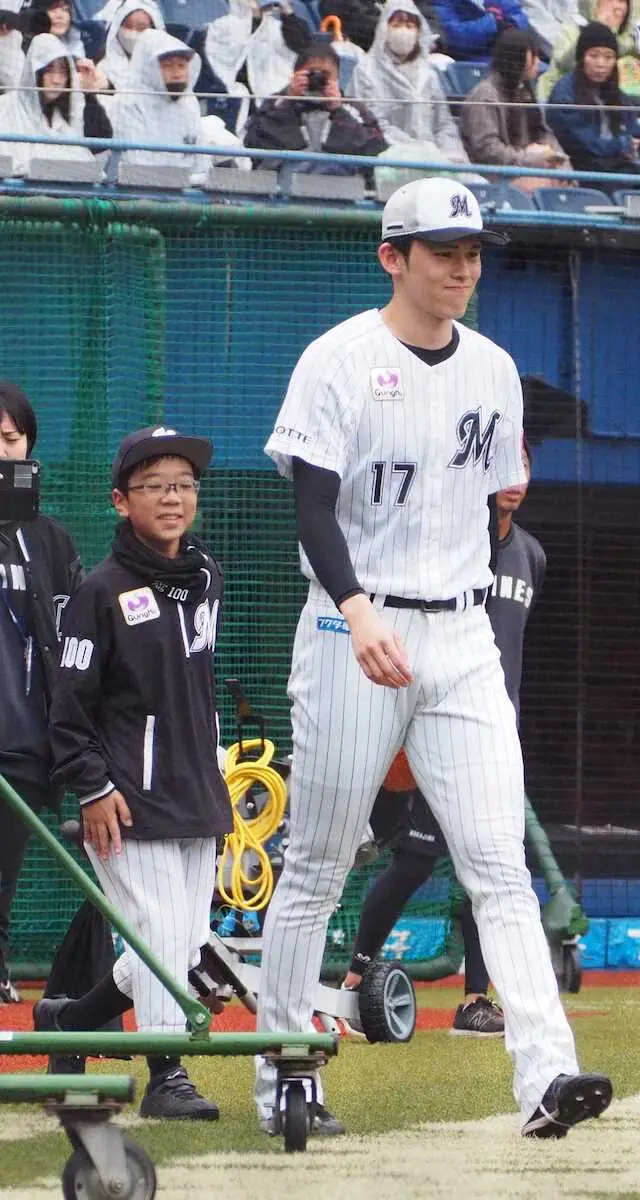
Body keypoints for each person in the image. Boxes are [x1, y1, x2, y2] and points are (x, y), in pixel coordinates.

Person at [257, 175, 611, 1140]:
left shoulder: (493, 368)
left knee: (499, 862)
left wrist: (463, 602)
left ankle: (547, 1076)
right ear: (392, 257)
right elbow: (310, 508)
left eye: (472, 252)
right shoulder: (338, 358)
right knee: (320, 863)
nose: (462, 266)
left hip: (457, 629)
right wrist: (358, 607)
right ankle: (288, 1072)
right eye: (442, 250)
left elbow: (497, 505)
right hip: (348, 625)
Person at [36, 425, 232, 1119]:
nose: (173, 498)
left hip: (197, 797)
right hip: (125, 800)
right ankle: (168, 1075)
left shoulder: (206, 576)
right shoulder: (101, 591)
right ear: (122, 501)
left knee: (178, 943)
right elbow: (69, 704)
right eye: (155, 486)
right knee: (153, 936)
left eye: (183, 484)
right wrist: (92, 785)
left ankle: (70, 1019)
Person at [342, 444, 546, 1038]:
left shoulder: (532, 554)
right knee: (411, 860)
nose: (513, 478)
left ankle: (476, 1001)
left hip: (490, 733)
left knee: (496, 861)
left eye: (523, 466)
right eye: (502, 465)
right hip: (422, 724)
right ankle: (353, 984)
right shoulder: (448, 549)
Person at [0, 383, 81, 1005]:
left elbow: (70, 636)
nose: (2, 452)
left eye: (10, 439)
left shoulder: (48, 538)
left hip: (26, 743)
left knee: (4, 874)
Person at [244, 36, 387, 174]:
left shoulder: (353, 107)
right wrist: (288, 102)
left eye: (325, 75)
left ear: (337, 77)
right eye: (311, 74)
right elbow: (254, 141)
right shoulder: (277, 103)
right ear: (296, 75)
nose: (317, 80)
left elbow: (375, 148)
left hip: (339, 184)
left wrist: (338, 111)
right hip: (283, 180)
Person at [349, 0, 467, 166]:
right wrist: (419, 151)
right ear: (384, 29)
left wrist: (450, 154)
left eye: (410, 25)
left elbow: (443, 124)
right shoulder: (365, 71)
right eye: (397, 25)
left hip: (434, 160)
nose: (403, 31)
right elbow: (374, 125)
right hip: (388, 160)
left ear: (419, 32)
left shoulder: (428, 73)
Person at [460, 26, 569, 187]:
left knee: (566, 181)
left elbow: (543, 134)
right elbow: (488, 151)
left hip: (529, 168)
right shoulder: (484, 97)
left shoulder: (525, 89)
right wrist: (531, 159)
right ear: (516, 59)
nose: (538, 62)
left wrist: (560, 161)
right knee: (546, 186)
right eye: (534, 55)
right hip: (496, 176)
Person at [0, 32, 111, 175]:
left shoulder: (66, 112)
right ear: (35, 72)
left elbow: (99, 144)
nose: (57, 80)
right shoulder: (5, 108)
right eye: (49, 70)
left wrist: (89, 95)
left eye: (63, 71)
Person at [546, 22, 640, 178]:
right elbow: (585, 145)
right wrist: (623, 145)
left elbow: (635, 131)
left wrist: (636, 143)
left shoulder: (616, 94)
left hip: (617, 166)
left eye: (608, 57)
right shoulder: (564, 95)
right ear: (581, 58)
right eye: (594, 56)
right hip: (582, 170)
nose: (601, 64)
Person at [538, 0, 640, 106]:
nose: (618, 6)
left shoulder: (637, 31)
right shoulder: (572, 27)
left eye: (623, 1)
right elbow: (566, 63)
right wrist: (600, 31)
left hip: (622, 109)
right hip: (568, 103)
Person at [111, 31, 203, 171]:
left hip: (185, 185)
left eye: (181, 66)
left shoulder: (189, 101)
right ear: (149, 68)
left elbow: (198, 156)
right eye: (167, 66)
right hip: (139, 187)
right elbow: (136, 162)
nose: (177, 74)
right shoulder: (128, 101)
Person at [97, 0, 164, 93]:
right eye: (128, 26)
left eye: (142, 28)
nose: (133, 33)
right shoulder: (102, 72)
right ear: (116, 29)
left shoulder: (168, 69)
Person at [433, 0, 531, 63]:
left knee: (541, 73)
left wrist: (510, 23)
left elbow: (520, 17)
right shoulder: (443, 2)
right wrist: (494, 24)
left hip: (508, 56)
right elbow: (456, 38)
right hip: (473, 63)